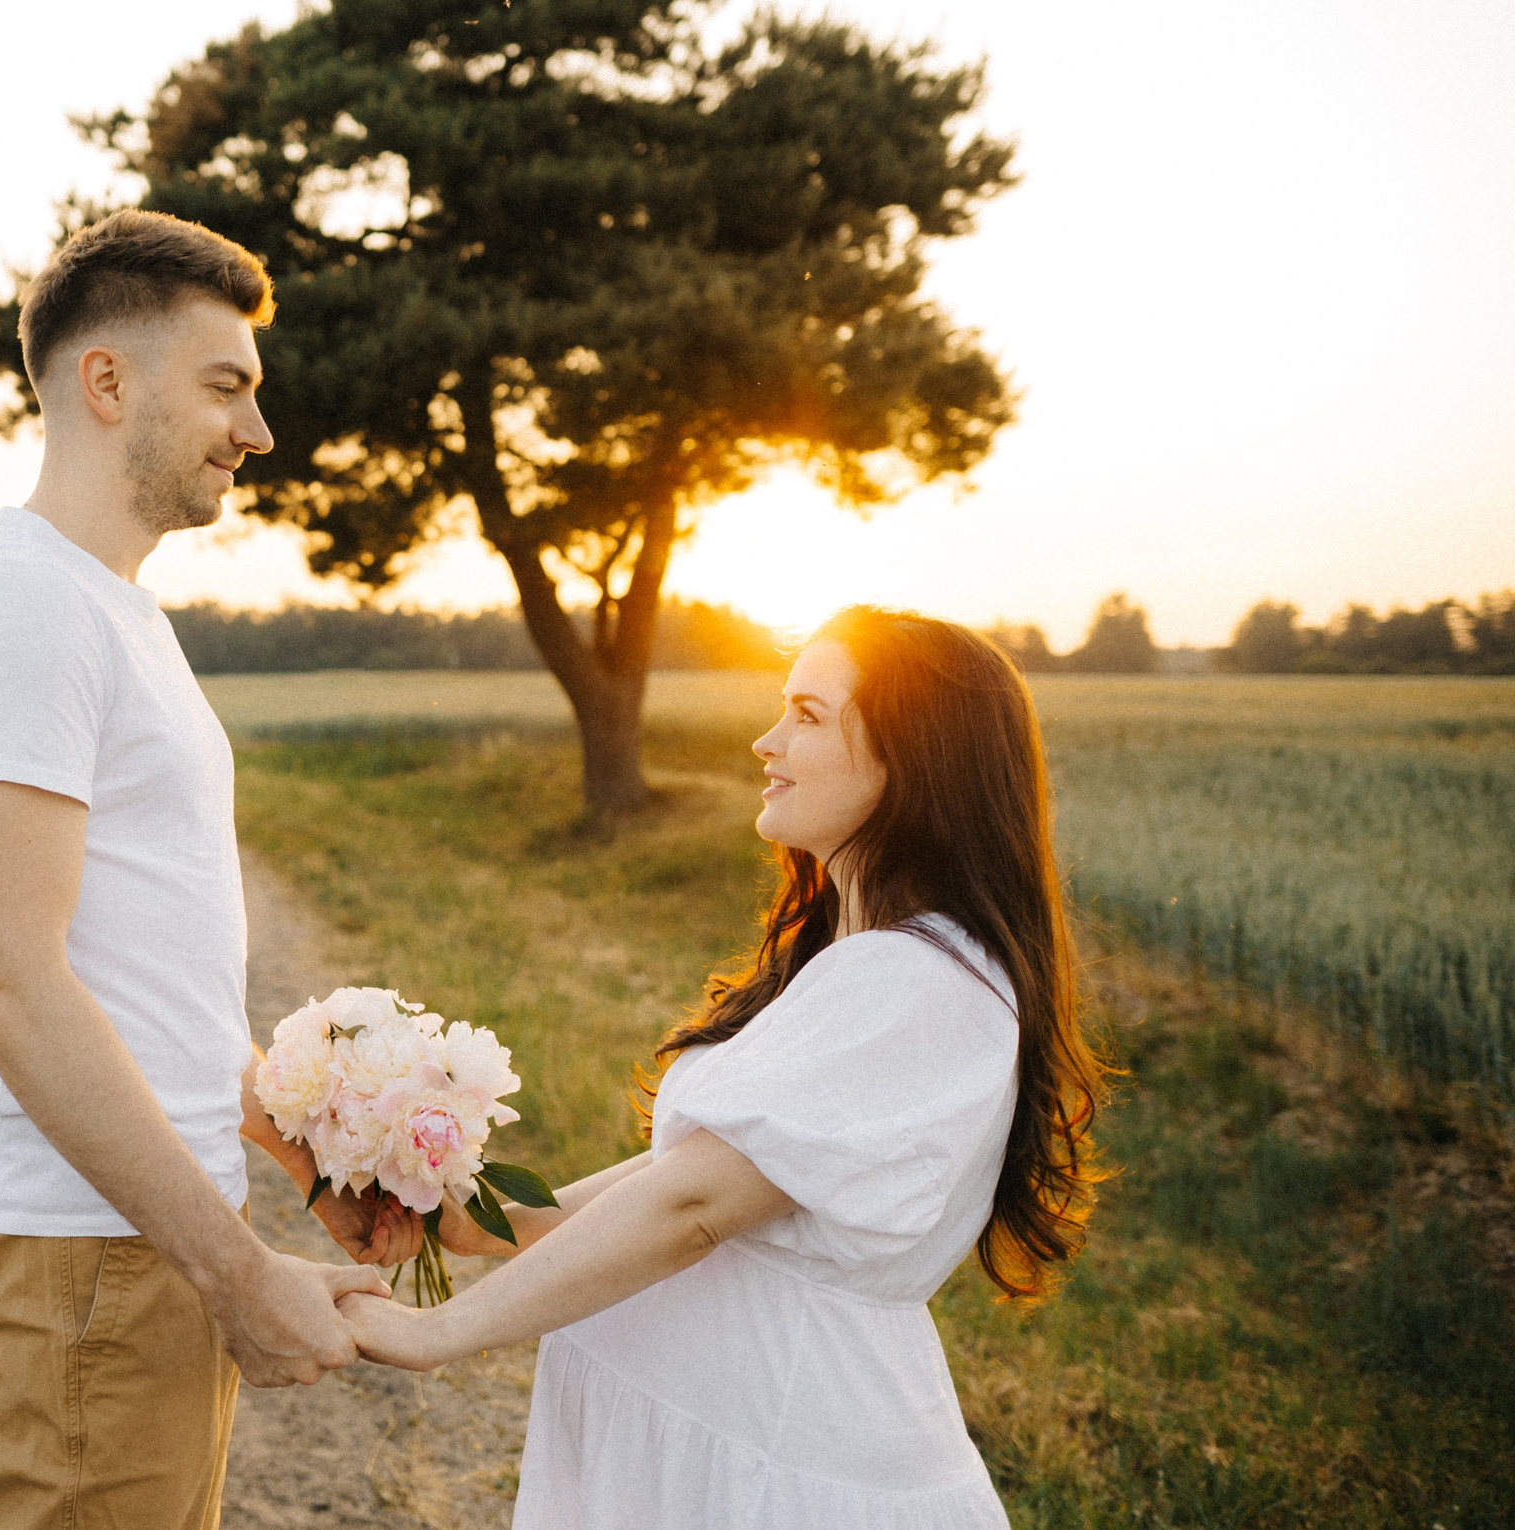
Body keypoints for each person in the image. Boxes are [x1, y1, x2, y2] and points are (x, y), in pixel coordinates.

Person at [341, 607, 1111, 1529]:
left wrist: (437, 1332)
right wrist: (481, 1222)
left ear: (914, 756)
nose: (765, 740)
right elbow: (703, 1176)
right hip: (726, 1448)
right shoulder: (873, 963)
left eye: (807, 715)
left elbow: (696, 1205)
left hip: (778, 1470)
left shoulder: (916, 979)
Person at [0, 209, 418, 1530]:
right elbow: (7, 982)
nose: (258, 430)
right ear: (107, 381)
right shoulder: (23, 605)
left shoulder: (108, 607)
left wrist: (305, 1160)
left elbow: (150, 980)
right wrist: (239, 1274)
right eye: (228, 385)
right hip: (72, 1252)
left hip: (124, 1238)